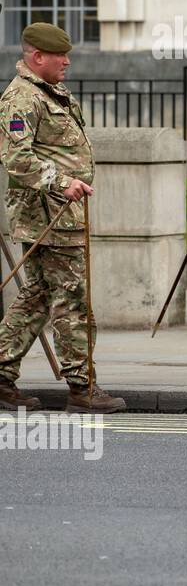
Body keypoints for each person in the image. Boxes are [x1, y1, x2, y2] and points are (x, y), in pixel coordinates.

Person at [0, 22, 124, 413]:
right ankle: (82, 388)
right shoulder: (21, 98)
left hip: (59, 215)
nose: (67, 62)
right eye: (60, 56)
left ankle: (0, 377)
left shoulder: (48, 92)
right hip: (49, 216)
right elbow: (17, 157)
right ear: (37, 57)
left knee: (36, 297)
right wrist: (62, 182)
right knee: (72, 300)